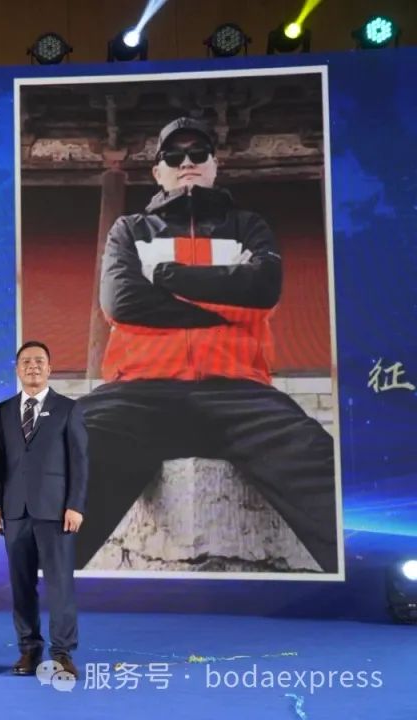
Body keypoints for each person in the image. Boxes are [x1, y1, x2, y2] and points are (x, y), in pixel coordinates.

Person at [75, 116, 338, 573]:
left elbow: (264, 289)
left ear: (215, 165)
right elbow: (123, 302)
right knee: (69, 450)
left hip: (240, 391)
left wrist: (167, 277)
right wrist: (227, 303)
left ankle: (367, 586)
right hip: (140, 391)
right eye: (174, 156)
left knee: (318, 458)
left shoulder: (248, 226)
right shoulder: (130, 229)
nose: (187, 163)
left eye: (198, 154)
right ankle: (36, 594)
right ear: (158, 171)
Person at [0, 341, 86, 678]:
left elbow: (80, 462)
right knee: (21, 584)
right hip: (15, 511)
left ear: (50, 368)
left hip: (55, 512)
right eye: (26, 361)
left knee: (60, 584)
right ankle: (29, 649)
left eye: (39, 361)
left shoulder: (68, 409)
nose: (33, 366)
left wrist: (75, 505)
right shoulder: (2, 412)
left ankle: (62, 653)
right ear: (17, 369)